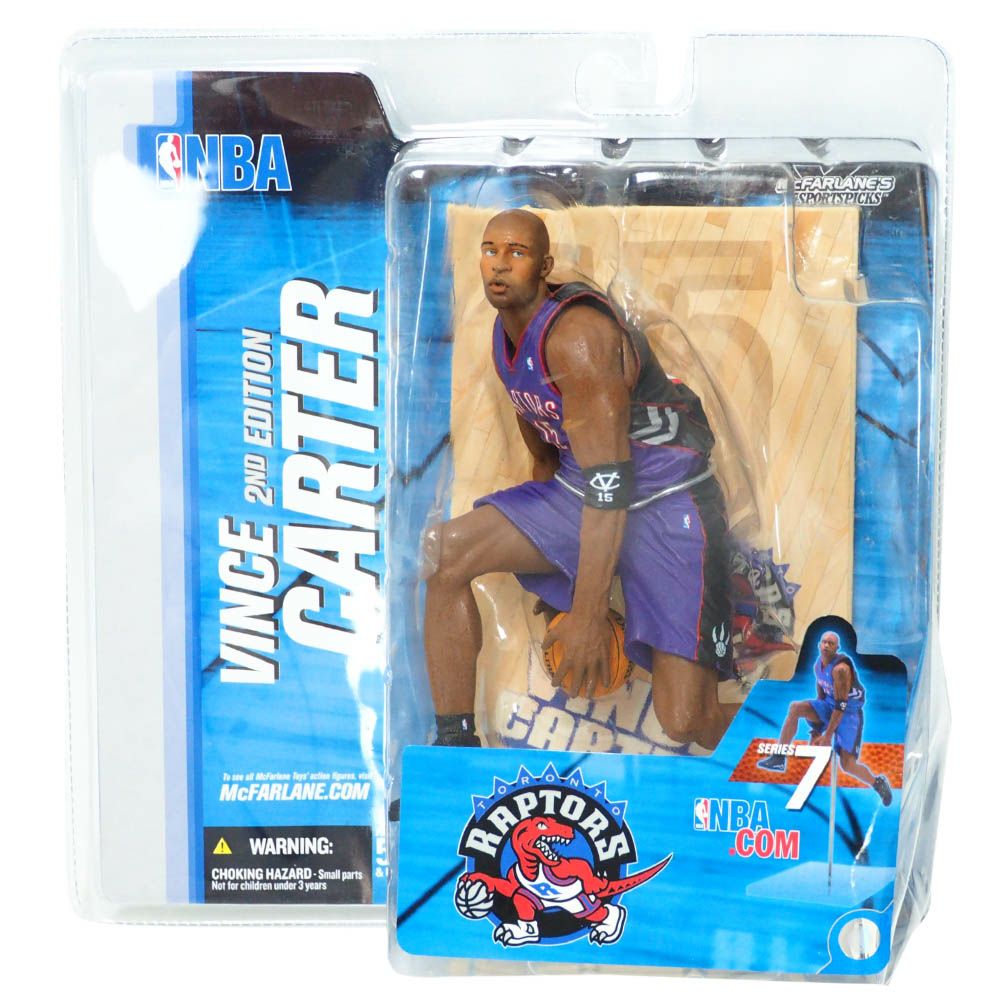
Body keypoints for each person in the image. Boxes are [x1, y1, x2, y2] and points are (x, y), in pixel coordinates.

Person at [423, 209, 734, 751]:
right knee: (444, 557)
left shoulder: (578, 340)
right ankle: (454, 747)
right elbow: (545, 452)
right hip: (585, 487)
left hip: (667, 500)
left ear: (543, 266)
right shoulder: (507, 333)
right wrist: (557, 568)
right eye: (490, 250)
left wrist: (589, 612)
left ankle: (818, 742)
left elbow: (612, 485)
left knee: (687, 719)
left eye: (516, 253)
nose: (499, 265)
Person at [757, 631, 893, 806]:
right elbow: (821, 697)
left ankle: (877, 783)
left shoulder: (841, 670)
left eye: (831, 643)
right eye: (824, 642)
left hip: (849, 713)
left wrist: (827, 736)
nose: (827, 645)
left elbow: (841, 706)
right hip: (830, 705)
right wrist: (816, 730)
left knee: (848, 765)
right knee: (795, 708)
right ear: (819, 645)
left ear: (837, 648)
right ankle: (779, 757)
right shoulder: (818, 665)